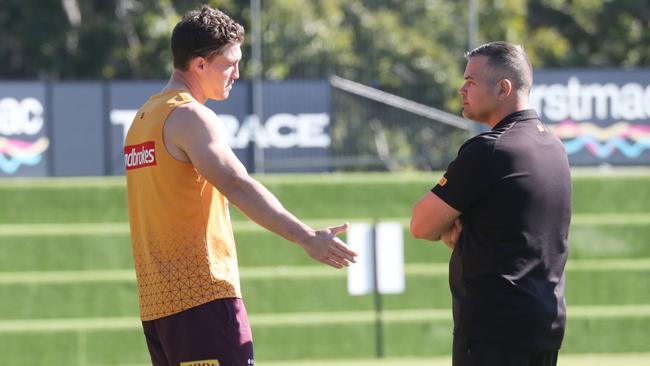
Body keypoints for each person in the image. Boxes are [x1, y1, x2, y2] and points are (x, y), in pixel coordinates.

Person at [124, 5, 357, 366]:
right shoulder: (190, 116)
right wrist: (307, 237)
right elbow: (237, 184)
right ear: (199, 64)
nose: (237, 73)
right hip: (203, 298)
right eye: (230, 63)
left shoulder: (142, 119)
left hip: (159, 307)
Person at [410, 41, 571, 366]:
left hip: (495, 332)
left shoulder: (492, 150)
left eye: (471, 81)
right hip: (544, 324)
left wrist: (451, 229)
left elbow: (421, 224)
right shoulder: (553, 145)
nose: (461, 89)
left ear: (503, 88)